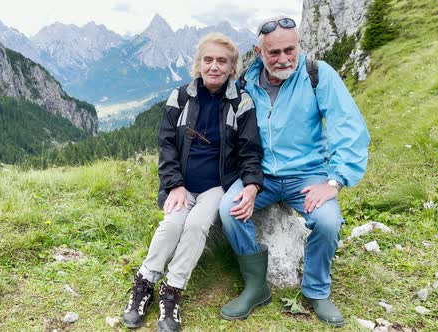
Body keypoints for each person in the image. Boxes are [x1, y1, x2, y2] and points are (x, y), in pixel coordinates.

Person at [218, 16, 370, 327]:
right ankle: (256, 286)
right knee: (229, 210)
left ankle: (316, 291)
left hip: (308, 172)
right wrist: (245, 181)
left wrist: (335, 180)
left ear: (298, 46)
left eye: (290, 49)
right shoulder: (245, 83)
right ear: (260, 53)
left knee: (327, 221)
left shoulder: (317, 75)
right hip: (260, 176)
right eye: (274, 52)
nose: (284, 58)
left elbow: (349, 127)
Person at [121, 32, 263, 332]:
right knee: (172, 224)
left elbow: (250, 150)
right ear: (198, 64)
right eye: (208, 60)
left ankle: (172, 290)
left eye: (222, 61)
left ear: (232, 68)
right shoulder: (182, 96)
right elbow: (167, 144)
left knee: (197, 225)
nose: (214, 66)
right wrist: (174, 184)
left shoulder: (241, 102)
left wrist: (251, 184)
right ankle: (145, 281)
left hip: (217, 186)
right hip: (182, 183)